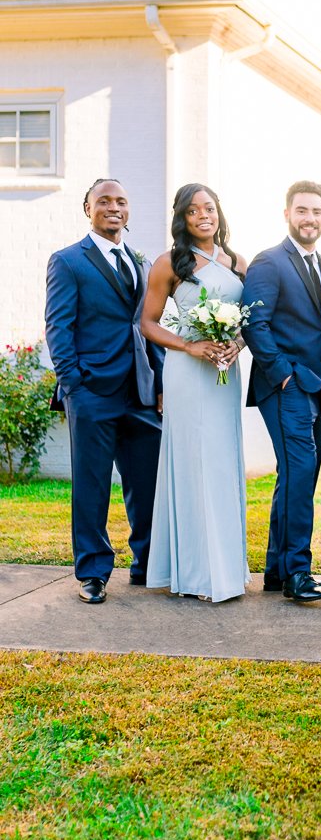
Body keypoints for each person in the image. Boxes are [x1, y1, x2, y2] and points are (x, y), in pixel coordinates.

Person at [45, 178, 164, 604]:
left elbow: (147, 327)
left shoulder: (140, 261)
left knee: (147, 484)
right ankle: (93, 571)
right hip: (91, 391)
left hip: (140, 392)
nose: (114, 207)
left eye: (121, 201)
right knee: (92, 485)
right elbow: (58, 327)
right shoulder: (68, 261)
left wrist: (161, 383)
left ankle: (146, 563)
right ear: (87, 208)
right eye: (104, 201)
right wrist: (74, 382)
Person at [140, 184, 249, 602]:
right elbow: (147, 322)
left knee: (222, 464)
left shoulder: (239, 262)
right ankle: (197, 574)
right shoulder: (169, 263)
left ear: (219, 212)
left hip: (224, 372)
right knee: (194, 462)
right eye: (193, 210)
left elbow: (248, 321)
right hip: (188, 371)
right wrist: (190, 346)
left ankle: (226, 569)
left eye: (209, 207)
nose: (203, 215)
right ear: (181, 218)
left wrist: (234, 346)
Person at [242, 182, 321, 603]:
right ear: (287, 214)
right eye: (302, 210)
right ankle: (299, 571)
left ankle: (278, 569)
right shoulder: (269, 262)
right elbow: (254, 324)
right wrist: (282, 375)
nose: (310, 218)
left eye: (317, 211)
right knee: (300, 472)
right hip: (284, 386)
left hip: (319, 389)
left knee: (300, 476)